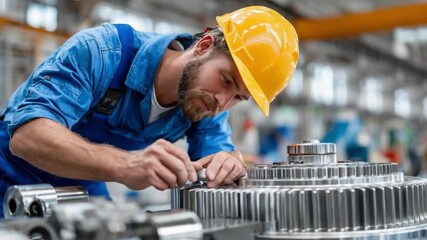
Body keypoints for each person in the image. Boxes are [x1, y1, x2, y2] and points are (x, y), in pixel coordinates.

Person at [0, 6, 299, 217]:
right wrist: (127, 165)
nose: (222, 102)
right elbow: (27, 137)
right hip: (9, 174)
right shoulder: (102, 52)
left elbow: (216, 159)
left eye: (239, 98)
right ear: (204, 46)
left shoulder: (208, 103)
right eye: (226, 80)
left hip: (80, 186)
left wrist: (229, 162)